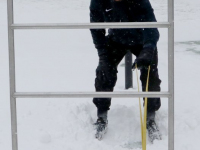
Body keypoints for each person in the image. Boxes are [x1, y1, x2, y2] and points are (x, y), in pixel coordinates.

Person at [90, 0, 161, 141]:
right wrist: (103, 54)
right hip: (116, 39)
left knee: (150, 72)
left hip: (141, 40)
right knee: (104, 71)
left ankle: (150, 116)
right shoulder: (98, 1)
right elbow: (96, 29)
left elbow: (151, 26)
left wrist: (148, 49)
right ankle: (102, 115)